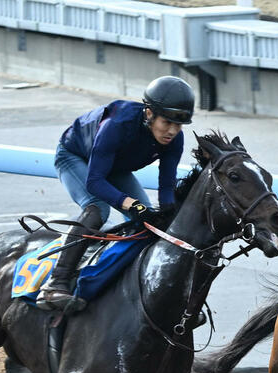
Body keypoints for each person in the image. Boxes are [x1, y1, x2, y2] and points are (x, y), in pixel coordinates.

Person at [37, 75, 195, 310]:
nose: (172, 131)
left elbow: (166, 188)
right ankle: (55, 284)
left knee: (152, 224)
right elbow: (95, 182)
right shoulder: (118, 125)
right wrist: (131, 204)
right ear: (149, 113)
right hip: (76, 157)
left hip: (114, 167)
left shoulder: (175, 140)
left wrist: (169, 217)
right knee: (97, 209)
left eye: (178, 124)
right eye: (167, 123)